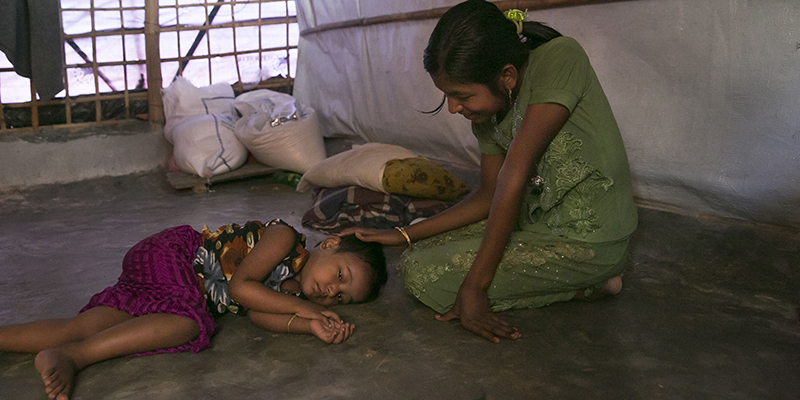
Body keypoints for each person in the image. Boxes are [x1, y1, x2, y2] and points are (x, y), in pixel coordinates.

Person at [342, 0, 637, 343]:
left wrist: (475, 288)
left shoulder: (561, 58)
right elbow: (488, 194)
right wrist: (405, 233)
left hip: (591, 239)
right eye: (448, 96)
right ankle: (579, 282)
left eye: (461, 95)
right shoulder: (489, 108)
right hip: (531, 221)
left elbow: (515, 173)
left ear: (507, 76)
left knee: (423, 275)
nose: (453, 108)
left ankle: (592, 284)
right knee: (416, 253)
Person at [0, 219, 387, 400]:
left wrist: (308, 325)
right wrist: (307, 312)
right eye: (340, 275)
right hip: (175, 257)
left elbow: (257, 314)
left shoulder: (294, 295)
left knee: (87, 325)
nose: (331, 291)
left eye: (340, 298)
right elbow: (242, 288)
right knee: (186, 324)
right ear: (332, 244)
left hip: (168, 285)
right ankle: (74, 358)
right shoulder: (285, 238)